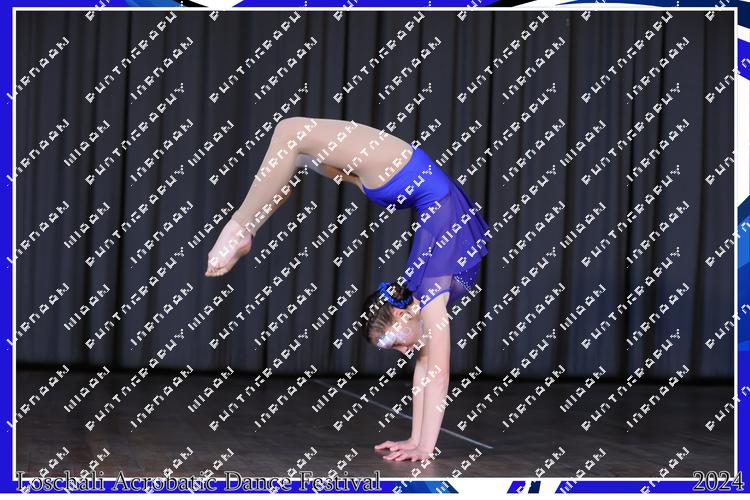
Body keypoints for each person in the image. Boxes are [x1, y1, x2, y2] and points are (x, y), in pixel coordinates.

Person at [205, 116, 490, 462]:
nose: (403, 352)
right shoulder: (429, 295)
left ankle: (247, 225)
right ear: (399, 313)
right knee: (292, 142)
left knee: (292, 139)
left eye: (394, 345)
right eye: (396, 344)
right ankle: (243, 228)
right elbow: (436, 373)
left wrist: (421, 444)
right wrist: (421, 444)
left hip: (401, 181)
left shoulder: (423, 293)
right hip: (403, 173)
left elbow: (429, 372)